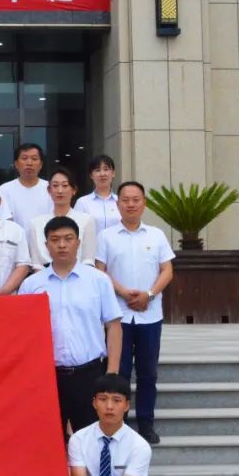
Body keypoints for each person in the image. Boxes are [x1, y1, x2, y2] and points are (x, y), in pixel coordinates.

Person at [19, 216, 122, 437]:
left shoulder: (98, 280)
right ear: (46, 245)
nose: (62, 245)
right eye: (55, 240)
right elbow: (23, 334)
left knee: (90, 438)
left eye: (68, 239)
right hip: (47, 376)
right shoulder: (31, 285)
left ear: (78, 242)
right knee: (48, 439)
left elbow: (113, 326)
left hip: (89, 374)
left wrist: (112, 373)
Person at [95, 181, 175, 445]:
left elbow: (167, 270)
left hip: (149, 315)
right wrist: (122, 292)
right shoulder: (106, 236)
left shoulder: (156, 235)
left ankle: (146, 424)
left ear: (144, 204)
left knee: (148, 372)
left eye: (136, 200)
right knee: (118, 372)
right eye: (125, 200)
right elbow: (100, 271)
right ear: (117, 204)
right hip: (117, 316)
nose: (130, 204)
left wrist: (148, 295)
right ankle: (119, 424)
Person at [28, 167, 97, 270]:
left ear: (74, 190)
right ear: (49, 190)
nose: (60, 191)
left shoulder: (87, 220)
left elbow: (88, 260)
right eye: (55, 186)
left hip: (79, 275)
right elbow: (37, 263)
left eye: (65, 186)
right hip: (45, 276)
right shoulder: (36, 223)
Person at [0, 143, 52, 235]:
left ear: (41, 164)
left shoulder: (51, 188)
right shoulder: (4, 190)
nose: (29, 163)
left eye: (34, 159)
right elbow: (3, 221)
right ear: (16, 164)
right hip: (14, 241)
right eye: (24, 158)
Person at [74, 154, 121, 234]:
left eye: (106, 169)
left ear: (113, 173)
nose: (102, 174)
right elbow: (76, 230)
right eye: (97, 170)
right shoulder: (82, 203)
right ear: (91, 175)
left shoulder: (121, 201)